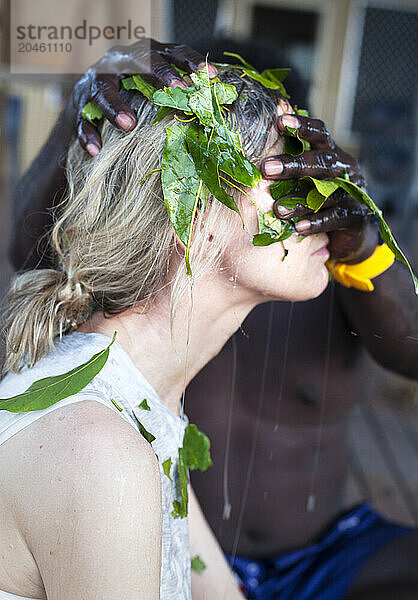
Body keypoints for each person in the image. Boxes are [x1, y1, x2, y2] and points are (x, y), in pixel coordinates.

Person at [7, 40, 418, 599]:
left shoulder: (152, 411)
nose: (325, 196)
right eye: (288, 169)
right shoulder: (101, 453)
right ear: (190, 207)